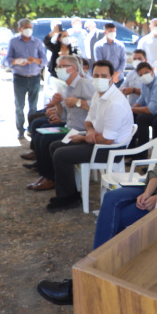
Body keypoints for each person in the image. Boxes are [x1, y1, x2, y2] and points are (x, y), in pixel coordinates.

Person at [36, 86, 157, 305]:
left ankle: (86, 282)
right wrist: (148, 192)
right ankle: (95, 278)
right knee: (111, 199)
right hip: (156, 186)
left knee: (120, 218)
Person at [45, 60, 133, 212]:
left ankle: (67, 198)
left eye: (104, 76)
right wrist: (90, 131)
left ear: (112, 77)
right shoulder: (99, 95)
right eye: (96, 75)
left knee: (61, 154)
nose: (99, 79)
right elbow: (88, 120)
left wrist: (84, 137)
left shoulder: (115, 103)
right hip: (96, 139)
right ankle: (70, 192)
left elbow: (108, 139)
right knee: (55, 145)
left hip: (110, 149)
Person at [27, 54, 96, 191]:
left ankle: (51, 178)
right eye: (58, 67)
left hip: (81, 130)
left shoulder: (84, 84)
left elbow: (96, 107)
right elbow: (63, 115)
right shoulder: (68, 86)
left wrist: (77, 102)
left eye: (62, 67)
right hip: (69, 126)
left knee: (46, 140)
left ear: (73, 68)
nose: (58, 69)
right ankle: (45, 174)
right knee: (41, 135)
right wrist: (58, 103)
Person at [5, 18, 47, 139]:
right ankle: (20, 129)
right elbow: (7, 60)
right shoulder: (13, 42)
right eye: (26, 28)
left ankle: (31, 128)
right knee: (19, 106)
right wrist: (16, 62)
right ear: (20, 29)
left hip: (35, 77)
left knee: (33, 107)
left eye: (30, 28)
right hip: (19, 78)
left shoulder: (37, 42)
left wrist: (35, 60)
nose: (28, 30)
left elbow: (44, 60)